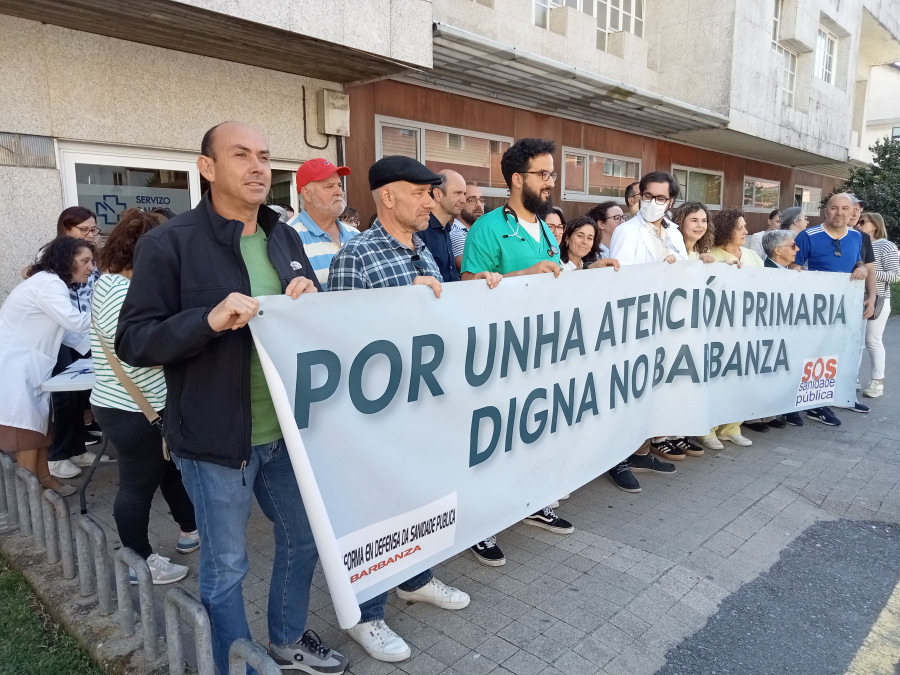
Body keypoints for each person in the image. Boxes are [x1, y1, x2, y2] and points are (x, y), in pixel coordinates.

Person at [116, 121, 348, 675]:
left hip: (288, 432)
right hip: (215, 440)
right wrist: (208, 320)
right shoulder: (169, 242)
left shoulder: (283, 235)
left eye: (265, 156)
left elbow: (308, 323)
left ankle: (287, 640)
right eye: (240, 154)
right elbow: (134, 340)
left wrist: (309, 300)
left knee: (302, 540)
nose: (257, 166)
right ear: (207, 167)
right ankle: (235, 663)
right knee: (227, 564)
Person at [329, 155, 497, 662]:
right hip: (375, 420)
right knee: (373, 514)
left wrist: (483, 292)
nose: (432, 200)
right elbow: (337, 342)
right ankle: (366, 613)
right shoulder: (356, 257)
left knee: (420, 500)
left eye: (432, 192)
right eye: (422, 192)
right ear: (387, 196)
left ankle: (415, 578)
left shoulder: (425, 247)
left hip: (422, 408)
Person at [462, 138, 600, 530]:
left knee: (531, 435)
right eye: (543, 174)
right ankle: (482, 525)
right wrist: (521, 275)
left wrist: (595, 275)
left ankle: (532, 501)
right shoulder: (487, 229)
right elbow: (468, 287)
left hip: (539, 353)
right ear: (517, 178)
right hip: (500, 355)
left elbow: (553, 280)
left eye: (552, 174)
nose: (550, 182)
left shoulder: (543, 228)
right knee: (494, 444)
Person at [90, 209, 197, 585]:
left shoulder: (110, 282)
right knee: (137, 484)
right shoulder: (123, 291)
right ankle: (138, 561)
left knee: (167, 469)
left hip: (132, 403)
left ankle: (190, 530)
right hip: (132, 407)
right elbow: (137, 351)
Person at [0, 237, 95, 498]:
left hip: (30, 369)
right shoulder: (49, 284)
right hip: (17, 370)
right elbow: (75, 322)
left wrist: (99, 352)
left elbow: (69, 333)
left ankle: (44, 479)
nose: (90, 267)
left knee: (41, 430)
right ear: (67, 260)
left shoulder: (50, 283)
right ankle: (31, 501)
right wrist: (113, 312)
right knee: (28, 434)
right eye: (85, 261)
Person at [791, 193, 873, 427]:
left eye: (845, 209)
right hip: (812, 312)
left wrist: (861, 268)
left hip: (842, 311)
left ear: (852, 212)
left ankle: (824, 399)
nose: (840, 213)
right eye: (834, 208)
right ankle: (804, 403)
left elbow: (857, 261)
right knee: (810, 355)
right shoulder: (809, 236)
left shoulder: (856, 237)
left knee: (834, 356)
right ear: (826, 211)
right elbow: (794, 268)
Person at [47, 206, 107, 480]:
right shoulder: (54, 258)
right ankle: (57, 455)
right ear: (66, 231)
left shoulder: (90, 257)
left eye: (94, 229)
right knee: (63, 397)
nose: (91, 235)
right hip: (63, 334)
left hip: (84, 335)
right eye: (84, 230)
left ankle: (77, 448)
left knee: (78, 397)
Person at [287, 157, 357, 290]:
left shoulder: (355, 234)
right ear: (307, 194)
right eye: (329, 186)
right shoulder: (290, 236)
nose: (338, 192)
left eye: (339, 185)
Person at [856, 212, 899, 398]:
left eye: (863, 222)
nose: (859, 224)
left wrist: (870, 272)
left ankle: (877, 381)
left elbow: (895, 275)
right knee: (856, 341)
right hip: (856, 298)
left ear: (875, 225)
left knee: (873, 340)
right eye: (858, 221)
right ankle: (853, 378)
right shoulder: (858, 242)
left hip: (879, 298)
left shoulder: (886, 246)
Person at [609, 171, 688, 265]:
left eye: (660, 198)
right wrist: (658, 269)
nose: (653, 203)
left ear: (670, 202)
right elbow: (620, 274)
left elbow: (684, 268)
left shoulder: (675, 233)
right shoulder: (625, 231)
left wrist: (701, 263)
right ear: (641, 196)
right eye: (648, 196)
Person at [419, 169, 465, 283]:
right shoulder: (421, 230)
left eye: (464, 194)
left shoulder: (446, 229)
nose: (463, 200)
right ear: (437, 194)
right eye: (458, 193)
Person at [450, 183, 485, 271]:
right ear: (460, 202)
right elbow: (472, 270)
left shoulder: (481, 232)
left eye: (481, 200)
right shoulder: (457, 233)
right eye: (472, 200)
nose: (479, 205)